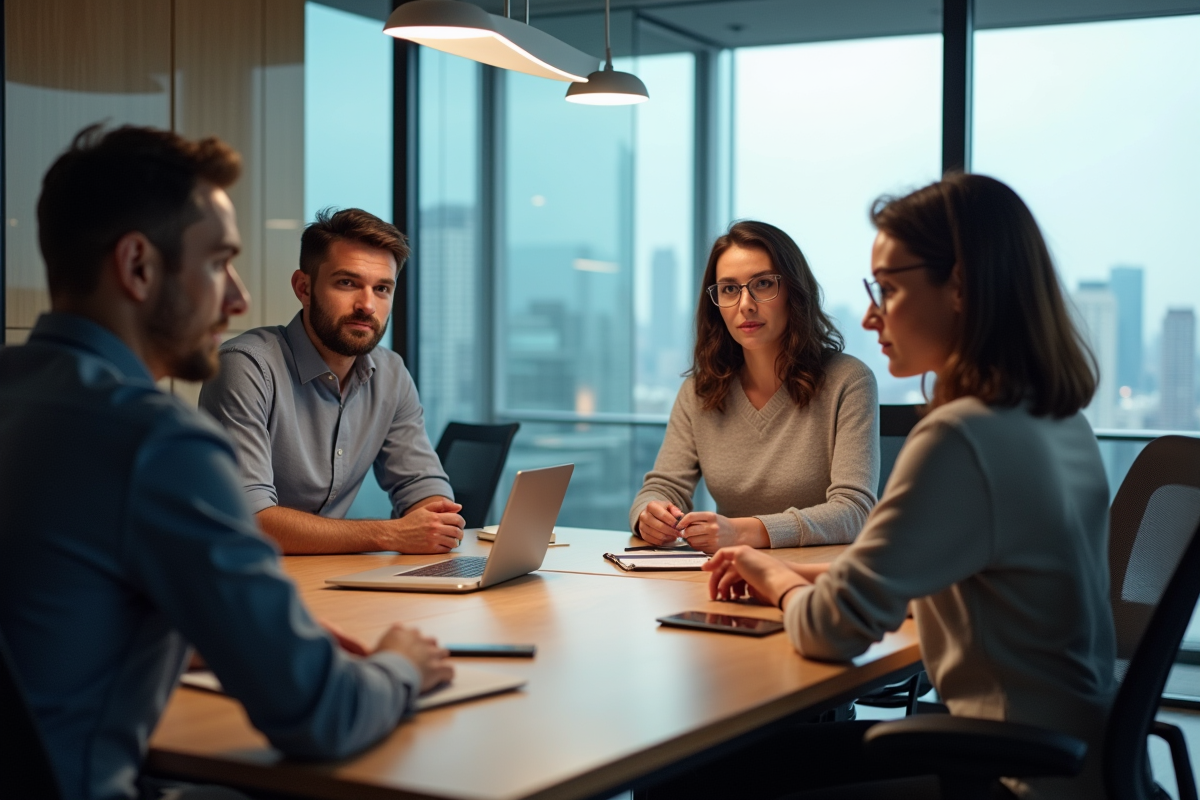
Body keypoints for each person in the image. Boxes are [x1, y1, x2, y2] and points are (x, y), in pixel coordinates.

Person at [0, 124, 453, 800]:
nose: (238, 299)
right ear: (138, 266)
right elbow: (322, 716)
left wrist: (212, 630)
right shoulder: (159, 444)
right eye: (218, 263)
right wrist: (401, 667)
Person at [690, 174, 1115, 799]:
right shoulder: (1056, 420)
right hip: (1079, 763)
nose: (869, 313)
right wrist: (788, 571)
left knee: (700, 771)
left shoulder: (961, 438)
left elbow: (833, 632)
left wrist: (779, 580)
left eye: (886, 289)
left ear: (961, 288)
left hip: (1006, 775)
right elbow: (948, 577)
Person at [198, 208, 465, 556]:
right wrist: (390, 535)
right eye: (347, 283)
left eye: (382, 288)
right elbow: (250, 519)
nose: (367, 305)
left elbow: (422, 484)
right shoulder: (246, 367)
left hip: (331, 578)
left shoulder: (391, 373)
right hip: (238, 581)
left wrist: (433, 520)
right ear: (303, 287)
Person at [630, 221, 879, 554]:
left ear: (794, 290)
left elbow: (853, 511)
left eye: (763, 284)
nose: (745, 304)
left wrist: (743, 532)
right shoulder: (699, 391)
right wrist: (649, 515)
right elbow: (663, 486)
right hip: (726, 575)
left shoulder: (848, 380)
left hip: (818, 580)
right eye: (729, 289)